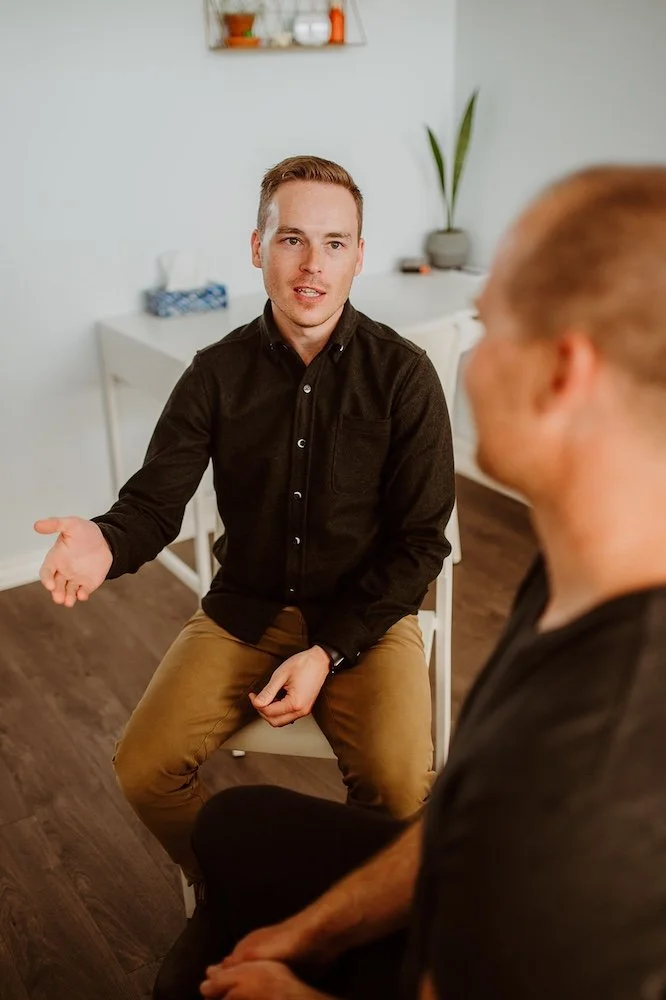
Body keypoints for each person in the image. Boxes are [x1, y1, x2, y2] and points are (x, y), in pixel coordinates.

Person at [156, 164, 666, 1000]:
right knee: (230, 824)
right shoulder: (571, 566)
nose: (473, 355)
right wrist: (306, 933)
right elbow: (461, 826)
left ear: (563, 373)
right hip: (449, 891)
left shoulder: (607, 762)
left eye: (490, 325)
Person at [33, 155, 455, 883]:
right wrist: (105, 540)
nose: (311, 266)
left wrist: (327, 653)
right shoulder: (214, 372)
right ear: (258, 249)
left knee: (396, 786)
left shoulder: (404, 375)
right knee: (143, 768)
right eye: (291, 239)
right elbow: (154, 501)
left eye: (332, 243)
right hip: (246, 607)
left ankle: (345, 919)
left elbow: (422, 542)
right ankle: (246, 891)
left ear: (358, 255)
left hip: (366, 615)